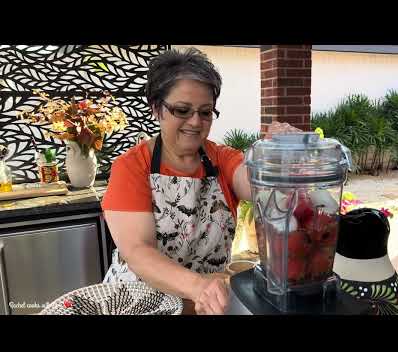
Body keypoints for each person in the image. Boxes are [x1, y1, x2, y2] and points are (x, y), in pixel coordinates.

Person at [102, 47, 301, 315]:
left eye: (206, 112)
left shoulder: (223, 158)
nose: (196, 122)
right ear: (157, 109)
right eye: (182, 110)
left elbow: (253, 185)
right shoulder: (132, 166)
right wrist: (199, 287)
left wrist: (271, 156)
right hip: (139, 304)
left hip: (207, 306)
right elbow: (137, 251)